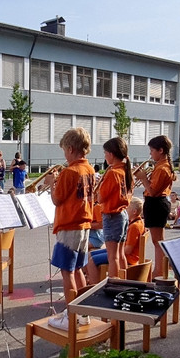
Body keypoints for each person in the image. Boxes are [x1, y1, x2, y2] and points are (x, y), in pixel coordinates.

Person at [46, 127, 97, 330]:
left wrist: (52, 183)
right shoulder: (90, 169)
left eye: (65, 151)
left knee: (67, 271)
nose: (65, 155)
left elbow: (57, 199)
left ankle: (71, 315)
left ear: (70, 148)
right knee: (77, 270)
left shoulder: (69, 171)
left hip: (69, 226)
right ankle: (83, 314)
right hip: (84, 224)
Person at [134, 135, 176, 280]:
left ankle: (159, 270)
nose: (150, 154)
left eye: (152, 150)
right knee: (158, 240)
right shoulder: (161, 166)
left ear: (161, 150)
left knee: (157, 241)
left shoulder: (163, 168)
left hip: (156, 203)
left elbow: (152, 191)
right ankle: (161, 268)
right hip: (157, 203)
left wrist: (143, 178)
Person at [96, 137, 132, 280]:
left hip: (112, 215)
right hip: (122, 214)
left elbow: (100, 198)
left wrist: (100, 185)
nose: (105, 156)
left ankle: (114, 284)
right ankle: (125, 281)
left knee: (113, 257)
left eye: (105, 153)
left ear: (111, 154)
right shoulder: (125, 170)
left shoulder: (113, 172)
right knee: (120, 254)